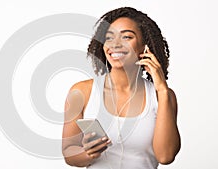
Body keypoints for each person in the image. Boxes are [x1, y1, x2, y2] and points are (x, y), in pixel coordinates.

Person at [62, 7, 181, 169]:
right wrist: (88, 154)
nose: (115, 44)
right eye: (109, 38)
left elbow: (165, 156)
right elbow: (69, 154)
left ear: (144, 46)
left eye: (126, 37)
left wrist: (161, 89)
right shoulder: (82, 92)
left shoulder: (162, 96)